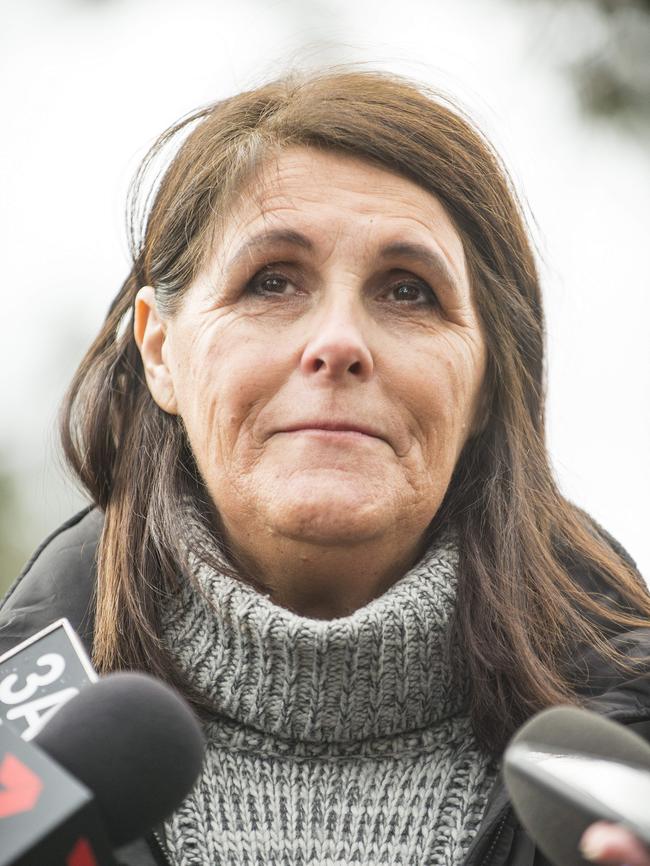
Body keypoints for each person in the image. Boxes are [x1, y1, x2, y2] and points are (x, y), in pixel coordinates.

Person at [1, 69, 649, 866]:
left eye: (408, 292)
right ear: (160, 350)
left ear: (486, 384)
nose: (339, 342)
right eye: (271, 282)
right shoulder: (15, 765)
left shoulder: (633, 766)